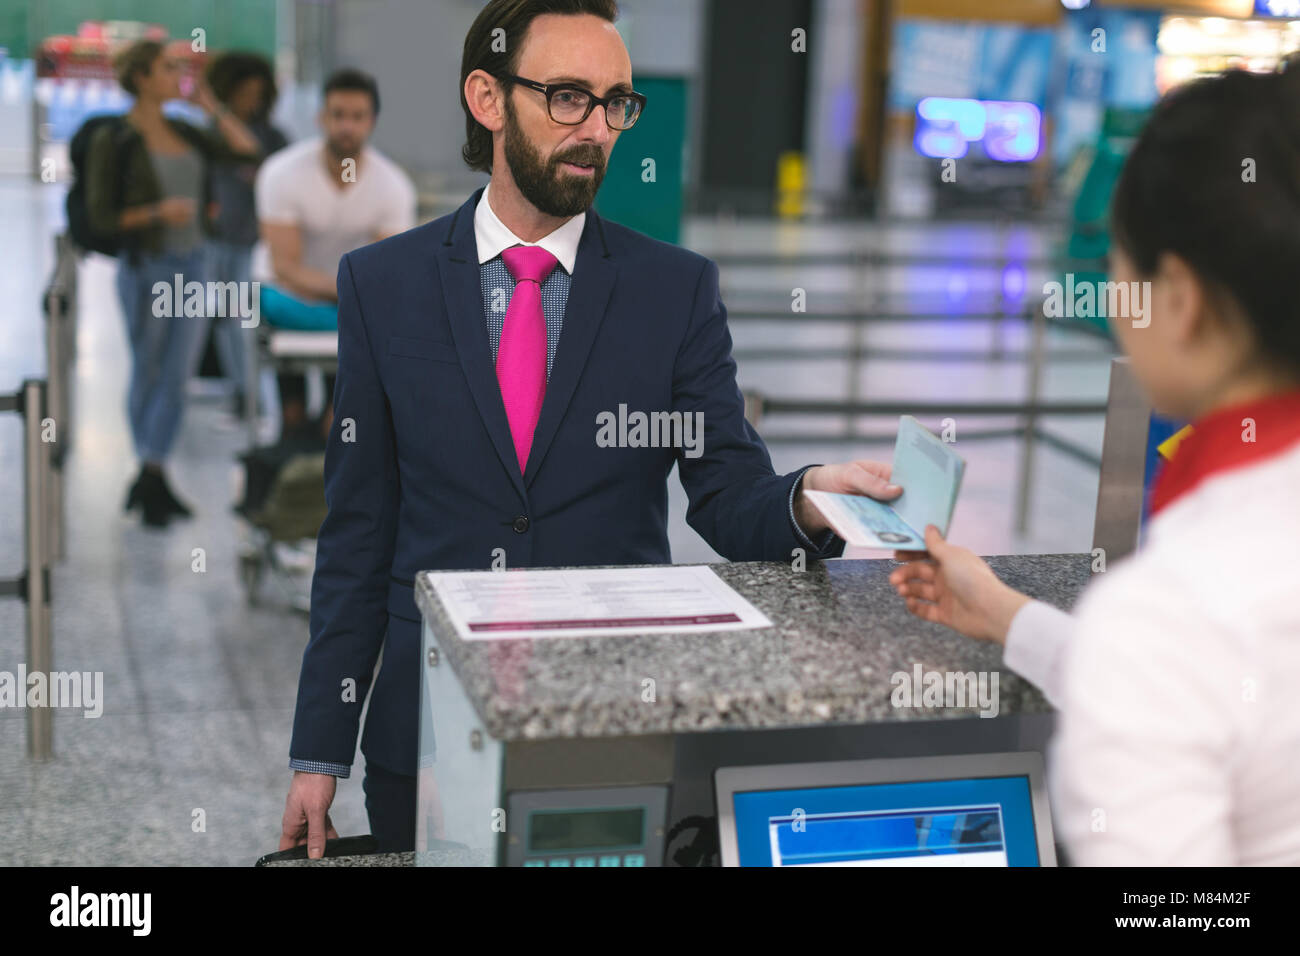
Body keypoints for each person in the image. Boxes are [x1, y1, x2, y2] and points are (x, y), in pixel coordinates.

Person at [280, 0, 902, 857]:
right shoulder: (384, 284)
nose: (597, 128)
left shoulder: (672, 291)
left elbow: (722, 493)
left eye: (615, 102)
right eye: (568, 96)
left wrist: (806, 499)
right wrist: (321, 747)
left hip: (614, 721)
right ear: (488, 99)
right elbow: (357, 533)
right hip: (424, 728)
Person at [889, 65, 1300, 865]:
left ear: (1178, 298)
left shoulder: (1172, 609)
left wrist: (1122, 643)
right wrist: (1006, 614)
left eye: (1119, 264)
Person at [87, 39, 261, 527]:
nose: (177, 76)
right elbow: (102, 216)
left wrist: (211, 106)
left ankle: (152, 470)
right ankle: (150, 471)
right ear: (141, 77)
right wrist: (155, 212)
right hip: (148, 266)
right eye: (168, 68)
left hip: (195, 263)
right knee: (147, 368)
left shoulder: (186, 129)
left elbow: (247, 150)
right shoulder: (116, 139)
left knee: (178, 374)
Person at [253, 68, 416, 440]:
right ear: (321, 118)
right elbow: (285, 268)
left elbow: (387, 273)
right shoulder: (281, 174)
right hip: (290, 297)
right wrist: (352, 294)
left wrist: (355, 297)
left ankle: (330, 420)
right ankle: (294, 429)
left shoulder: (392, 187)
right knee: (295, 416)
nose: (346, 126)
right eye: (338, 115)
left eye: (357, 117)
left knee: (339, 421)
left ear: (371, 122)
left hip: (349, 304)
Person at [203, 51, 289, 420]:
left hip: (255, 245)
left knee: (244, 325)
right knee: (223, 321)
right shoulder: (209, 135)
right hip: (217, 240)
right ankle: (239, 396)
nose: (251, 101)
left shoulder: (272, 137)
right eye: (243, 93)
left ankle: (255, 402)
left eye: (257, 93)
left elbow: (255, 155)